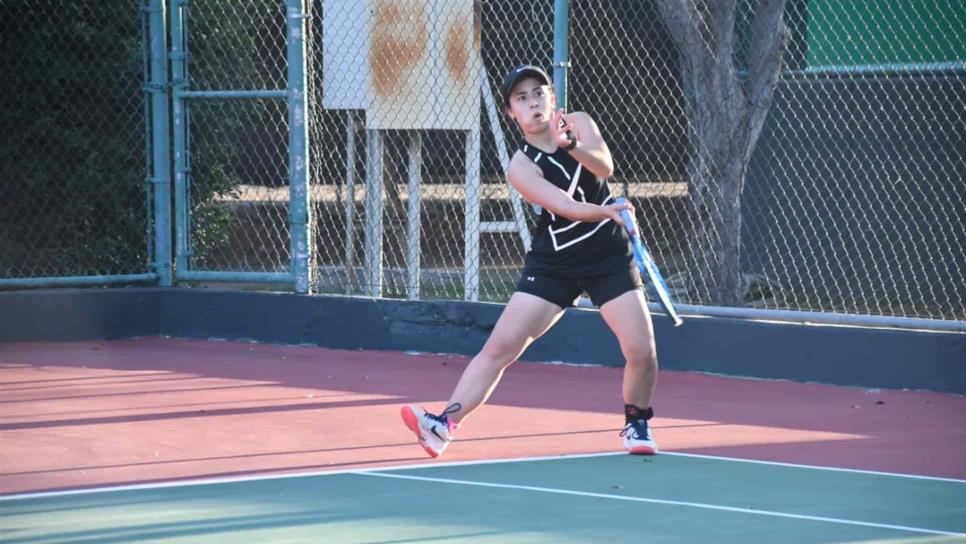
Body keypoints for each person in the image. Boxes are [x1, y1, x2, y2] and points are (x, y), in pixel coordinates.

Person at [401, 64, 659, 458]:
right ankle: (443, 425)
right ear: (512, 113)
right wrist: (607, 211)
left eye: (539, 93)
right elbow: (566, 207)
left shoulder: (579, 123)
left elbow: (604, 166)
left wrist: (571, 145)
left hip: (608, 255)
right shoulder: (520, 167)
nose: (533, 102)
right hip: (555, 263)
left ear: (552, 98)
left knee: (641, 351)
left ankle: (636, 424)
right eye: (522, 98)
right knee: (501, 347)